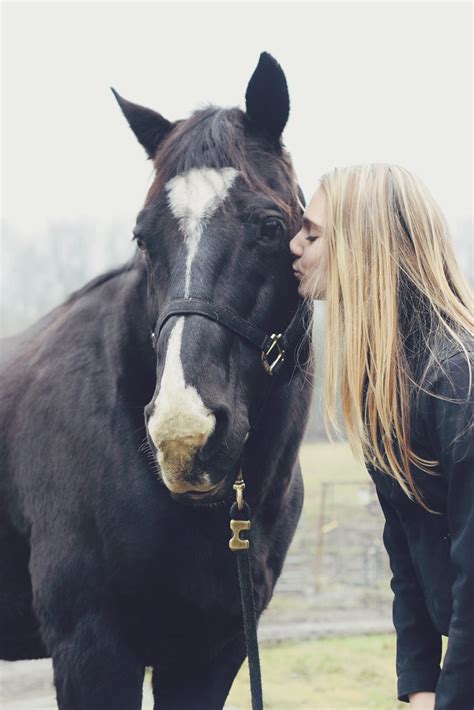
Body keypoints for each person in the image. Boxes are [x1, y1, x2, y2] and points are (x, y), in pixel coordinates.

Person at [289, 164, 473, 710]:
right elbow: (407, 551)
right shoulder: (386, 388)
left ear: (362, 245)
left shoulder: (457, 379)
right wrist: (419, 686)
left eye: (313, 234)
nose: (294, 246)